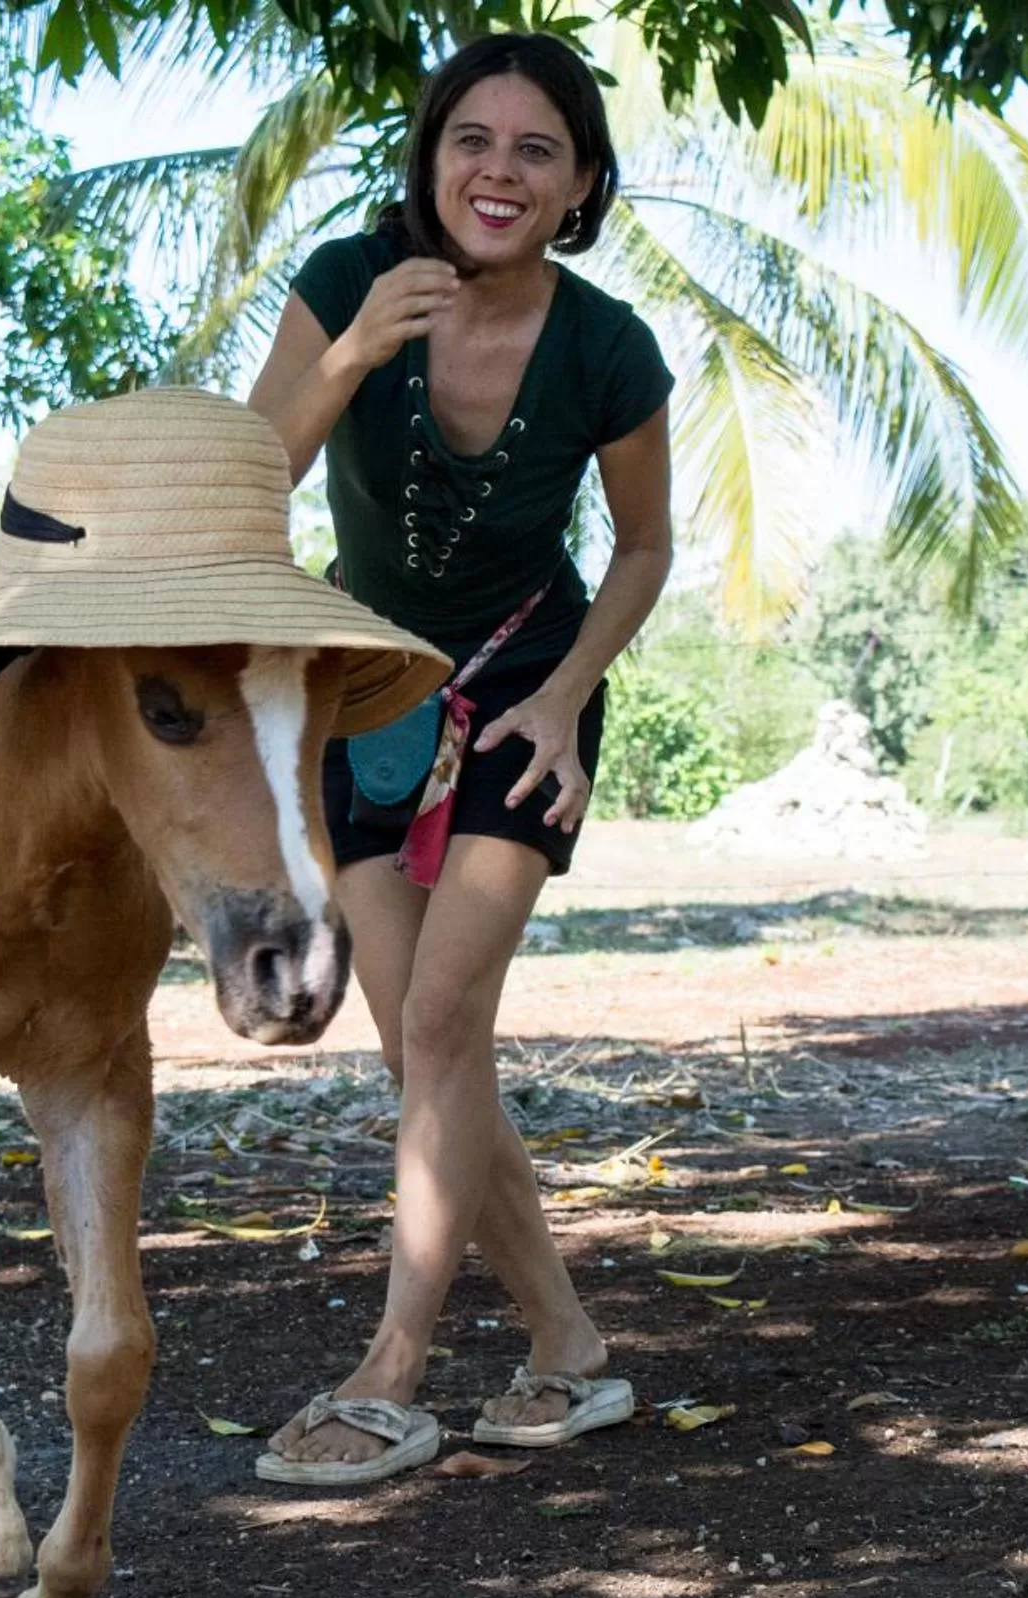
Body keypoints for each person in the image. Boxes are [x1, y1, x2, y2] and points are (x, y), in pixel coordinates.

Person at [246, 32, 674, 1485]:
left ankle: (394, 1372)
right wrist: (361, 344)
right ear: (432, 159)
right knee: (434, 1048)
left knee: (439, 1024)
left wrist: (565, 699)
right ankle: (568, 1346)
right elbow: (256, 469)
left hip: (521, 699)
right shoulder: (344, 278)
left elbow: (647, 545)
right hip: (366, 698)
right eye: (473, 140)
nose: (500, 169)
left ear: (581, 185)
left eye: (537, 149)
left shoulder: (609, 345)